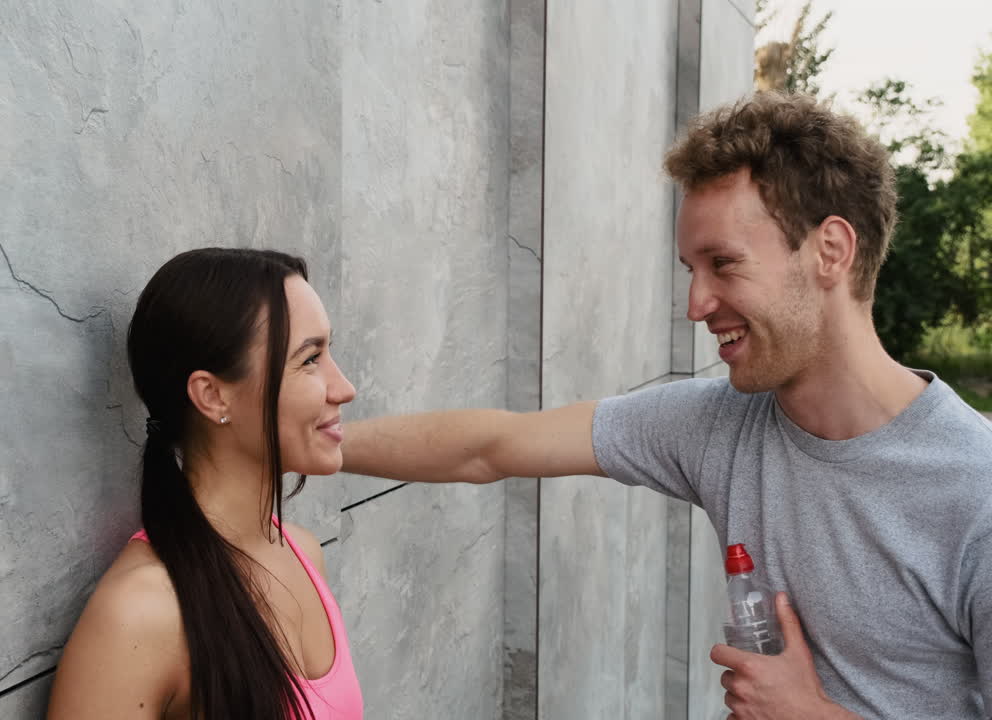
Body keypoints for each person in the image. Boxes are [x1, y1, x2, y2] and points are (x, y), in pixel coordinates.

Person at [339, 92, 992, 719]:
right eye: (690, 270)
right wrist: (306, 441)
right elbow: (492, 446)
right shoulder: (718, 428)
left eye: (723, 263)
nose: (696, 305)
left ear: (831, 252)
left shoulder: (974, 492)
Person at [47, 248, 362, 720]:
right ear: (212, 395)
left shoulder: (303, 553)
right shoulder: (140, 613)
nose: (345, 387)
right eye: (310, 359)